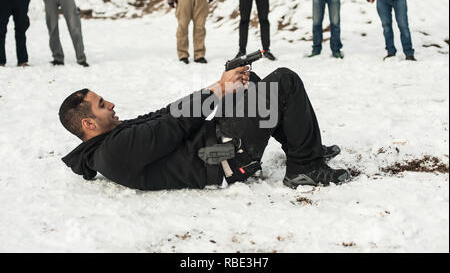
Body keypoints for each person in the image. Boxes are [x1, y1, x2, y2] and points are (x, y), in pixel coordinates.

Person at [59, 66, 350, 191]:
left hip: (217, 140)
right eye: (101, 104)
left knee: (252, 83)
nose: (110, 104)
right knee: (284, 81)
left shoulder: (114, 137)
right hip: (227, 157)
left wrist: (222, 86)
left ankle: (303, 147)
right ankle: (305, 167)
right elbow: (172, 125)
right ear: (88, 123)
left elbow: (165, 114)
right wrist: (218, 90)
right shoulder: (114, 153)